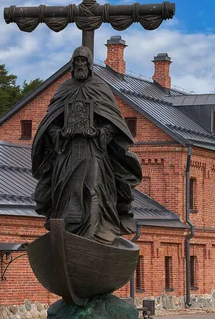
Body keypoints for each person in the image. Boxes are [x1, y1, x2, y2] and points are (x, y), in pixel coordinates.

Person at [32, 46, 142, 244]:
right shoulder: (63, 89)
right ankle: (67, 236)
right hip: (67, 153)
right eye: (77, 62)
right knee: (63, 192)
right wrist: (61, 133)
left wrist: (99, 133)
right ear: (72, 66)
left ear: (90, 65)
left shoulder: (100, 88)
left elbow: (113, 123)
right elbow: (51, 124)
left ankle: (92, 236)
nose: (80, 65)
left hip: (93, 152)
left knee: (93, 189)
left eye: (84, 62)